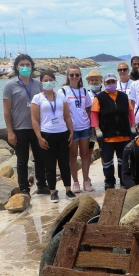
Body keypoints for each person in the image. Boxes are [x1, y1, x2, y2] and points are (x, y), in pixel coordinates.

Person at [2, 54, 48, 195]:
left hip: (37, 128)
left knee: (40, 158)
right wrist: (10, 131)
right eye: (22, 65)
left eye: (28, 65)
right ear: (17, 67)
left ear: (32, 67)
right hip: (19, 129)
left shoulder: (38, 85)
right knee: (22, 160)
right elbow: (6, 111)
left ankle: (41, 184)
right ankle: (24, 188)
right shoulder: (10, 85)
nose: (25, 67)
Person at [30, 71, 74, 202]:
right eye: (45, 80)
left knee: (64, 164)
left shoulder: (61, 96)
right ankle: (53, 191)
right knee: (49, 165)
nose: (48, 82)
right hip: (47, 134)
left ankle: (68, 189)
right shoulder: (37, 98)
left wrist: (71, 132)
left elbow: (67, 116)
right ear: (41, 82)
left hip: (62, 133)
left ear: (54, 81)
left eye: (51, 79)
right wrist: (39, 137)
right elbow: (34, 119)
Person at [91, 73, 135, 189]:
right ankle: (109, 181)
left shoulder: (124, 96)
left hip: (124, 135)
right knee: (107, 161)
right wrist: (97, 129)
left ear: (116, 82)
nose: (111, 84)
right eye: (108, 82)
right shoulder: (99, 98)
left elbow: (130, 112)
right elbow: (94, 114)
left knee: (123, 160)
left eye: (113, 82)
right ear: (104, 84)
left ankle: (123, 180)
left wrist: (133, 127)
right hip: (107, 136)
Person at [61, 65, 94, 193]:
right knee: (73, 156)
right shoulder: (63, 91)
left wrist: (92, 126)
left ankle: (86, 180)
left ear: (80, 76)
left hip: (84, 127)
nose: (74, 77)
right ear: (68, 76)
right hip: (72, 129)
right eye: (72, 75)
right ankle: (75, 182)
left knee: (85, 155)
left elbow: (88, 109)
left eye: (77, 75)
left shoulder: (84, 91)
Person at [85, 70, 104, 156]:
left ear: (101, 81)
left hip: (103, 125)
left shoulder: (105, 94)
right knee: (88, 151)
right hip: (90, 126)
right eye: (92, 80)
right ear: (89, 82)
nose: (94, 82)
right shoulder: (86, 94)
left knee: (103, 151)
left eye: (96, 80)